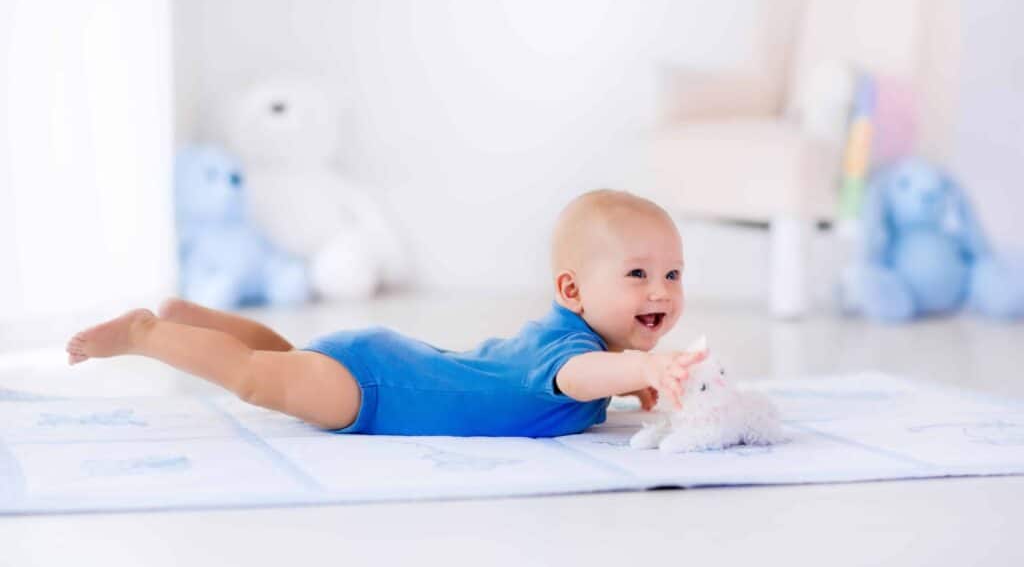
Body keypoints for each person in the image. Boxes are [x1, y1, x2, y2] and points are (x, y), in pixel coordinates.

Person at [66, 189, 707, 437]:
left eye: (672, 274)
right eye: (638, 275)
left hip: (384, 363)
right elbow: (578, 380)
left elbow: (598, 378)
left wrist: (638, 377)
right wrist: (644, 373)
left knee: (284, 359)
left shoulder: (593, 345)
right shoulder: (571, 355)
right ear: (572, 290)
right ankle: (148, 333)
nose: (661, 292)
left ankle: (192, 317)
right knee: (259, 378)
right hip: (375, 391)